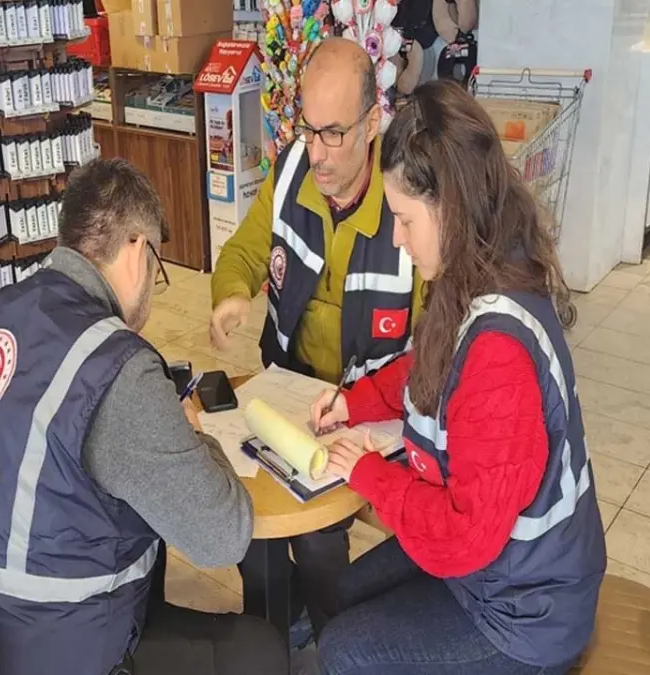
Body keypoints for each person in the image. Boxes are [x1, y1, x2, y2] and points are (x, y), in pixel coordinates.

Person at [0, 159, 287, 675]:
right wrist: (196, 437)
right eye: (157, 267)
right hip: (42, 650)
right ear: (136, 249)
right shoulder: (115, 364)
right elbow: (222, 536)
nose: (153, 286)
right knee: (259, 651)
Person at [307, 79, 605, 674]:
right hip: (497, 573)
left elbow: (464, 537)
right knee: (335, 599)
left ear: (452, 207)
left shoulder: (499, 353)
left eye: (404, 219)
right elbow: (432, 365)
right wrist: (355, 402)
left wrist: (369, 474)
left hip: (524, 615)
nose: (397, 237)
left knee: (343, 652)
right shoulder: (480, 265)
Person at [208, 37, 427, 639]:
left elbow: (435, 344)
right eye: (308, 129)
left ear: (373, 122)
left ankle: (328, 634)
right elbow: (246, 251)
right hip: (288, 383)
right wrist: (231, 291)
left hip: (374, 407)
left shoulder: (406, 203)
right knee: (248, 511)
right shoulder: (288, 174)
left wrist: (367, 405)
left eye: (334, 133)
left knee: (317, 531)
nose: (318, 152)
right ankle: (271, 628)